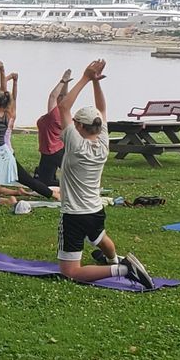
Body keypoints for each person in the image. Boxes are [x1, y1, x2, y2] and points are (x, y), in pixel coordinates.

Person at [53, 59, 152, 289]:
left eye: (76, 122)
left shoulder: (76, 145)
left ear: (79, 126)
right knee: (99, 238)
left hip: (75, 214)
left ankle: (124, 268)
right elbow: (103, 109)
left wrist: (86, 78)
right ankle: (112, 259)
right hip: (95, 210)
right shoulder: (103, 141)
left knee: (70, 272)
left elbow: (63, 107)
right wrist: (97, 83)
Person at [0, 60, 56, 206]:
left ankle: (9, 200)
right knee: (27, 180)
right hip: (4, 154)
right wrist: (2, 71)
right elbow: (5, 92)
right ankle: (53, 194)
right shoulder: (8, 114)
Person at [35, 69, 72, 186]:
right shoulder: (64, 113)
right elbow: (63, 96)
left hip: (55, 151)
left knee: (72, 175)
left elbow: (52, 96)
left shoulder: (54, 114)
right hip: (47, 152)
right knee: (44, 182)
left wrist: (63, 81)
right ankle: (59, 184)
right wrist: (66, 83)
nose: (59, 96)